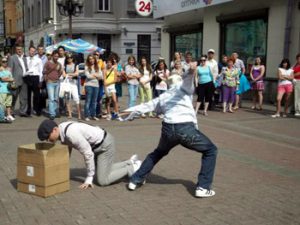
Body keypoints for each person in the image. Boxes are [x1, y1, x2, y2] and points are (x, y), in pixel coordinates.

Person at [121, 62, 218, 198]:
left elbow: (146, 106)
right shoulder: (183, 88)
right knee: (210, 150)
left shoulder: (163, 96)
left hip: (168, 128)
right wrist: (191, 70)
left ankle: (135, 180)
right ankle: (203, 187)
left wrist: (126, 112)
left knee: (158, 152)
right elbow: (188, 79)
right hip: (185, 128)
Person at [37, 119, 142, 189]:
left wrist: (89, 178)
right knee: (103, 171)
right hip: (98, 146)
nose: (47, 140)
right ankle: (130, 162)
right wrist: (61, 167)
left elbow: (88, 154)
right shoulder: (62, 129)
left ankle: (131, 168)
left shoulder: (71, 134)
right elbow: (67, 149)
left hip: (105, 146)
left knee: (102, 180)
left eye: (47, 137)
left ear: (54, 130)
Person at [8, 44, 29, 117]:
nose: (19, 50)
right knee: (13, 97)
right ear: (15, 50)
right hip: (15, 81)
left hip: (24, 80)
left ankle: (23, 111)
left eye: (20, 49)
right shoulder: (12, 58)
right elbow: (10, 70)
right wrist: (11, 80)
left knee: (24, 97)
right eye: (18, 49)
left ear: (22, 49)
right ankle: (11, 112)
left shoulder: (25, 58)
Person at [43, 50, 63, 120]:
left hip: (57, 82)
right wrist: (47, 79)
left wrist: (57, 76)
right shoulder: (47, 63)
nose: (56, 57)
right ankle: (52, 114)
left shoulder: (59, 64)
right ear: (52, 56)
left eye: (57, 56)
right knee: (51, 99)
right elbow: (44, 72)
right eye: (55, 56)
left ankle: (54, 111)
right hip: (50, 82)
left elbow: (60, 72)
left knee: (55, 98)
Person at [24, 46, 43, 116]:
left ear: (35, 52)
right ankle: (28, 109)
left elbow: (41, 71)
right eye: (31, 51)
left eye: (33, 51)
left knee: (36, 95)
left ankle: (36, 109)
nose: (32, 52)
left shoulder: (38, 60)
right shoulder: (25, 59)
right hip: (28, 77)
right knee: (28, 95)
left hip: (36, 77)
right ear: (28, 51)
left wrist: (40, 81)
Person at [63, 53, 81, 120]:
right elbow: (64, 75)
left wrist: (69, 74)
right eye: (68, 58)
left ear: (72, 58)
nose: (69, 59)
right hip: (67, 83)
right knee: (67, 99)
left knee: (76, 98)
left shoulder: (76, 65)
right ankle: (70, 114)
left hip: (74, 83)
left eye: (70, 58)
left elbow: (77, 73)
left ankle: (79, 114)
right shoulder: (65, 65)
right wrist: (71, 75)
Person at [84, 54, 102, 121]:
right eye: (90, 59)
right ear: (88, 60)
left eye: (93, 59)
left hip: (96, 85)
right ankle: (86, 115)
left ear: (95, 59)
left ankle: (93, 115)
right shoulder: (86, 67)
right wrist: (96, 76)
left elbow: (101, 76)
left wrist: (94, 75)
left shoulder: (97, 66)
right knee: (88, 101)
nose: (91, 60)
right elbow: (88, 76)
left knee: (94, 101)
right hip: (89, 85)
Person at [0, 57, 15, 122]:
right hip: (2, 90)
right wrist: (10, 79)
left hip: (9, 89)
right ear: (1, 62)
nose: (5, 63)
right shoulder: (0, 69)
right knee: (2, 104)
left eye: (5, 61)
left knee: (8, 104)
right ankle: (1, 117)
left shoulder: (8, 70)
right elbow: (2, 79)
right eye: (3, 61)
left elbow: (12, 78)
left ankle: (8, 115)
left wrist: (11, 80)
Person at [94, 51, 106, 118]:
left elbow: (104, 71)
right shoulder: (91, 62)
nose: (96, 56)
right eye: (95, 54)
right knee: (94, 97)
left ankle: (98, 112)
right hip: (93, 81)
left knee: (99, 97)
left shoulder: (101, 62)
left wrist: (104, 80)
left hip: (100, 81)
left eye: (97, 55)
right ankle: (93, 112)